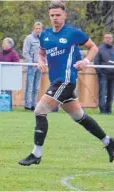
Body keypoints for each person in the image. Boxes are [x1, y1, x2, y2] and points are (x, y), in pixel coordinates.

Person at [18, 1, 114, 166]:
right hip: (56, 81)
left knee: (39, 111)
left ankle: (36, 154)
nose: (55, 18)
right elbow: (41, 53)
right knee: (79, 117)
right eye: (52, 15)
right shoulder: (45, 35)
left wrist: (85, 61)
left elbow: (93, 48)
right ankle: (108, 142)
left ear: (65, 15)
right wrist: (40, 62)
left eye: (58, 15)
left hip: (66, 80)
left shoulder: (72, 33)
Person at [23, 22, 43, 111]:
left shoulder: (42, 39)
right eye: (36, 28)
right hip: (32, 65)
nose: (38, 30)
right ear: (33, 29)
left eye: (40, 28)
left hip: (40, 65)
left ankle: (34, 105)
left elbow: (43, 52)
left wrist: (42, 61)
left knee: (36, 87)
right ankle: (27, 105)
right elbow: (25, 52)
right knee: (29, 86)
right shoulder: (29, 38)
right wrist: (31, 62)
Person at [94, 32, 114, 114]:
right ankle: (103, 110)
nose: (108, 39)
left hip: (112, 75)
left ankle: (109, 110)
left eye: (110, 37)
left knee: (111, 93)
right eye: (106, 37)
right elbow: (96, 62)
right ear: (103, 39)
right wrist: (100, 73)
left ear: (112, 39)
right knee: (102, 93)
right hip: (103, 75)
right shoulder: (99, 49)